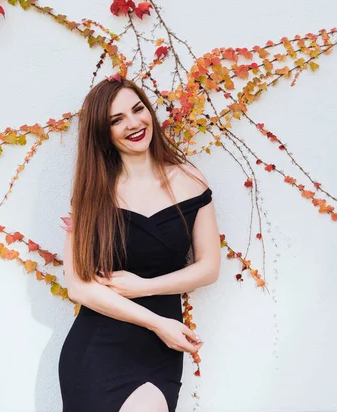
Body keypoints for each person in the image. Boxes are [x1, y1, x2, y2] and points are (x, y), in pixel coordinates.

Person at [58, 76, 221, 412]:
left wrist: (145, 287)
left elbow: (209, 268)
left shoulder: (190, 180)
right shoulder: (93, 195)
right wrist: (157, 322)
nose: (133, 123)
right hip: (101, 345)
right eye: (117, 120)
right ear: (104, 133)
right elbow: (79, 288)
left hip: (160, 351)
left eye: (137, 109)